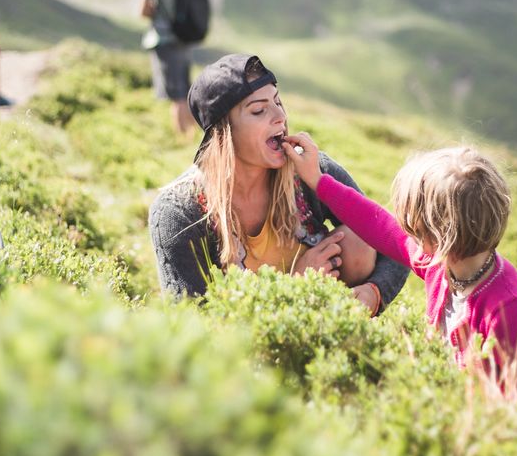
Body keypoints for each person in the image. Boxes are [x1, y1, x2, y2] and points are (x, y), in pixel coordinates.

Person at [283, 134, 517, 417]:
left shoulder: (510, 311)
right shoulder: (441, 263)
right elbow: (377, 223)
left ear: (437, 236)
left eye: (412, 224)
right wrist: (318, 181)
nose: (404, 230)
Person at [149, 54, 409, 316]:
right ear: (223, 133)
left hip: (323, 326)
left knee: (359, 240)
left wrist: (375, 292)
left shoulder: (310, 171)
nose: (280, 117)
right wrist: (293, 286)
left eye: (278, 102)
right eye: (259, 110)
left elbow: (396, 240)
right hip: (245, 347)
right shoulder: (178, 211)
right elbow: (194, 322)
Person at [136, 0, 194, 135]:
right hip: (184, 37)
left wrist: (154, 11)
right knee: (186, 91)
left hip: (164, 38)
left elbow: (143, 10)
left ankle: (182, 139)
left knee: (175, 94)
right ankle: (193, 135)